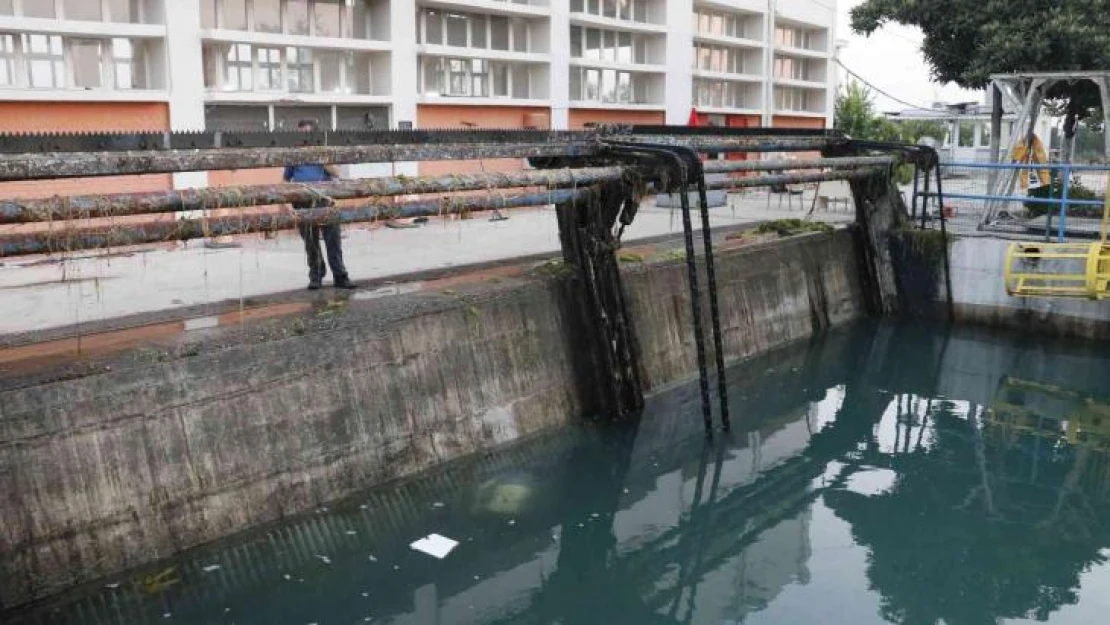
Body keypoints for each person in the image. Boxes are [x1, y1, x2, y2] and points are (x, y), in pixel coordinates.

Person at [284, 119, 355, 290]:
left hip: (325, 200)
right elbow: (285, 180)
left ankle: (340, 276)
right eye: (302, 135)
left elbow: (337, 173)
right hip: (302, 202)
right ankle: (316, 276)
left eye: (308, 134)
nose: (305, 139)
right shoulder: (294, 155)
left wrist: (320, 158)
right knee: (310, 242)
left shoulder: (324, 152)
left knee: (333, 241)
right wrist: (286, 204)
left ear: (316, 135)